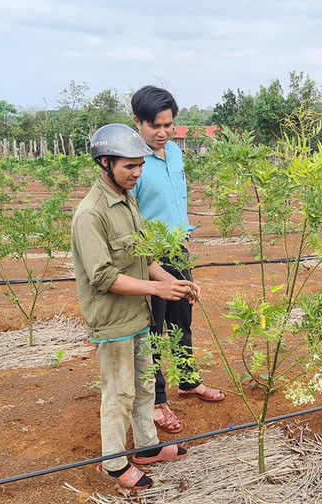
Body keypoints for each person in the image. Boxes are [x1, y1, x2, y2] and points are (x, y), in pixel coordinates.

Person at [71, 123, 196, 489]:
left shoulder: (129, 200)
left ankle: (147, 447)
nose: (138, 173)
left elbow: (143, 258)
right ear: (106, 162)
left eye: (141, 165)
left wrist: (169, 282)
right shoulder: (91, 214)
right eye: (130, 166)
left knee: (144, 385)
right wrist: (157, 291)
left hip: (139, 313)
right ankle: (112, 463)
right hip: (113, 320)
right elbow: (103, 276)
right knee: (119, 391)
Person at [130, 85, 224, 435]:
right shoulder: (134, 161)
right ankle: (156, 399)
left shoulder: (174, 153)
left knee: (182, 320)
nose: (163, 132)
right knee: (153, 328)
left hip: (177, 249)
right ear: (138, 122)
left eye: (168, 125)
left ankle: (188, 381)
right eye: (156, 125)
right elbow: (131, 218)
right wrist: (152, 266)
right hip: (148, 257)